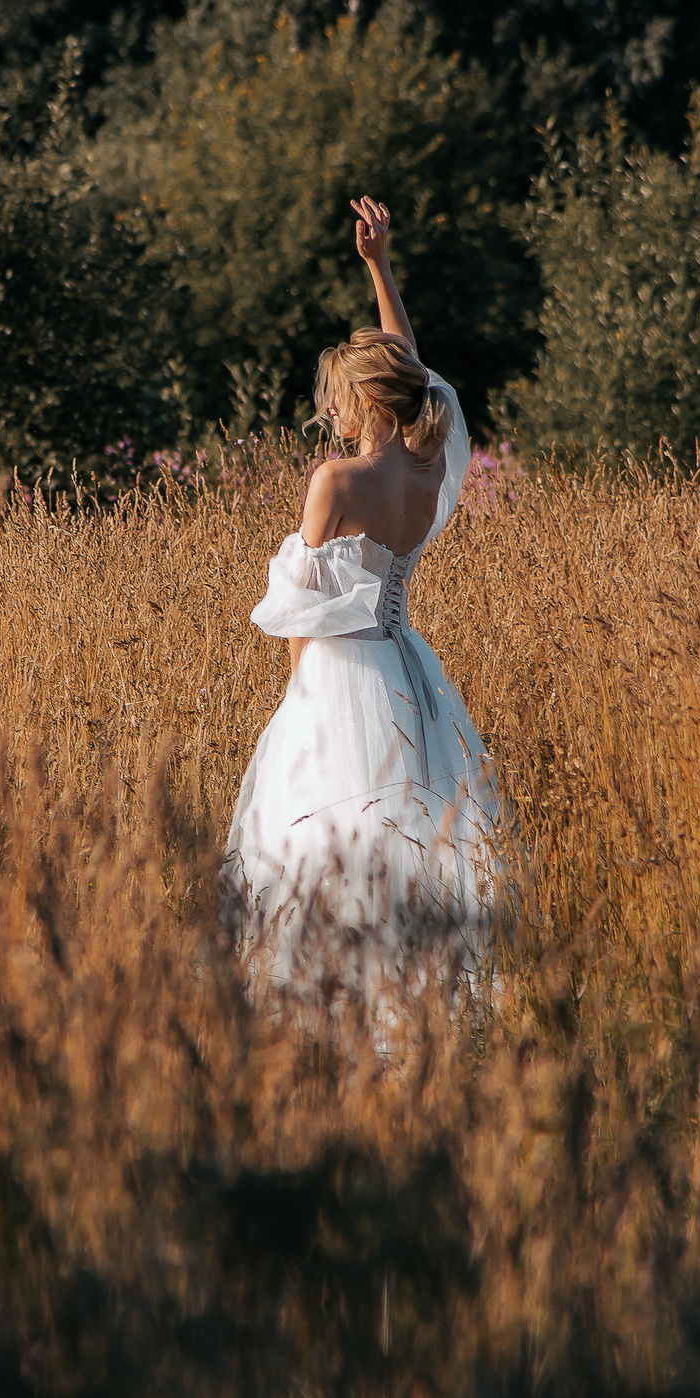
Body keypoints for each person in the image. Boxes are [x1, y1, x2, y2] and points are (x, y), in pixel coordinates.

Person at [220, 196, 505, 1014]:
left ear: (366, 401)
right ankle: (422, 990)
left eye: (342, 394)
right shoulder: (425, 469)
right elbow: (414, 365)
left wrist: (298, 701)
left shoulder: (335, 482)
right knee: (410, 821)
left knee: (319, 827)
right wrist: (378, 266)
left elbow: (303, 612)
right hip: (409, 664)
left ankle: (331, 997)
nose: (332, 408)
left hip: (340, 669)